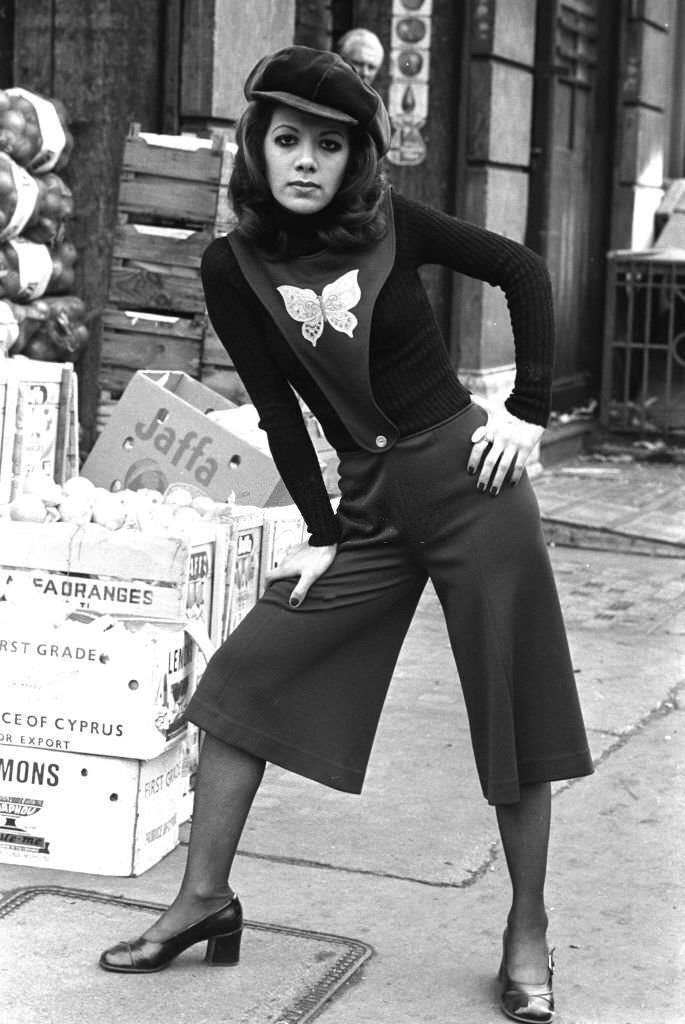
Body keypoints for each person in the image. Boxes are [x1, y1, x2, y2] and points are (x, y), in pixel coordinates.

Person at [99, 45, 594, 1023]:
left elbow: (519, 270)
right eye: (287, 139)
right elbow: (280, 411)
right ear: (257, 144)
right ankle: (203, 899)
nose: (305, 161)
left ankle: (527, 929)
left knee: (513, 712)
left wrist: (527, 410)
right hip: (366, 512)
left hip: (472, 489)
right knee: (244, 676)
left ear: (355, 156)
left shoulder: (395, 225)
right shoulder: (229, 265)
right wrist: (321, 529)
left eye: (329, 144)